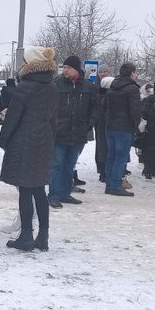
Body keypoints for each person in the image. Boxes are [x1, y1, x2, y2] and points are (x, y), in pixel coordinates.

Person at [0, 46, 58, 252]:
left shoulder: (25, 87)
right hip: (44, 141)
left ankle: (26, 235)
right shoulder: (52, 86)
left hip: (24, 142)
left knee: (25, 190)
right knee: (39, 190)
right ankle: (43, 236)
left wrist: (4, 140)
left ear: (30, 63)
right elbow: (54, 119)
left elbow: (13, 117)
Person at [48, 55, 97, 208]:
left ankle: (65, 193)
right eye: (64, 67)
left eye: (68, 67)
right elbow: (49, 107)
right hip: (59, 132)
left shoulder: (88, 86)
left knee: (70, 164)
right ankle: (54, 195)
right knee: (57, 164)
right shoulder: (56, 84)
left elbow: (95, 107)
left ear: (76, 69)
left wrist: (90, 123)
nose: (65, 70)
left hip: (78, 132)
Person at [104, 63, 142, 196]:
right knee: (121, 157)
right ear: (131, 73)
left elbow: (105, 106)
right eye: (135, 72)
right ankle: (116, 185)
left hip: (110, 126)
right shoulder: (132, 88)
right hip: (124, 127)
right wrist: (136, 125)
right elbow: (135, 110)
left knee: (111, 156)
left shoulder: (111, 86)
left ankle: (109, 184)